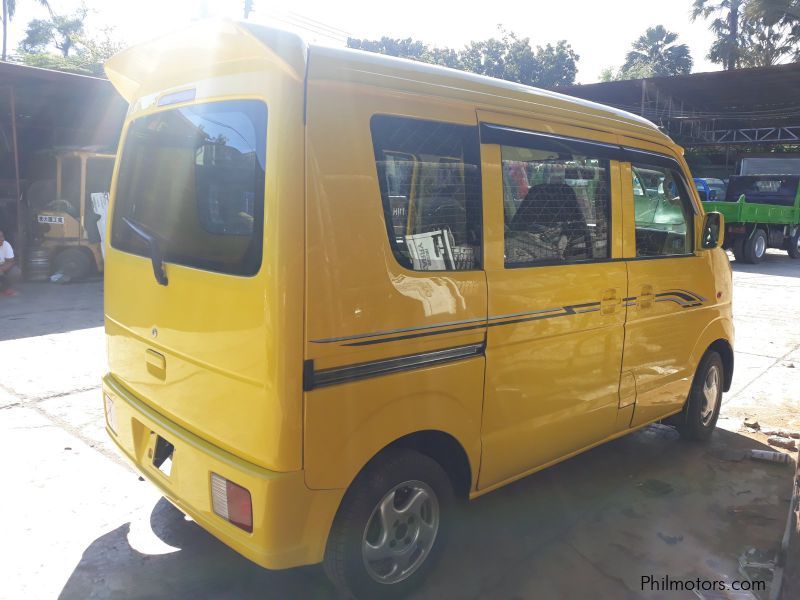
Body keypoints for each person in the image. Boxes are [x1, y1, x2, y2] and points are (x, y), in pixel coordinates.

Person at [0, 228, 21, 296]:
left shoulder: (6, 245)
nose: (2, 239)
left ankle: (6, 289)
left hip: (3, 266)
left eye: (2, 236)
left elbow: (11, 261)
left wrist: (1, 269)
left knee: (15, 271)